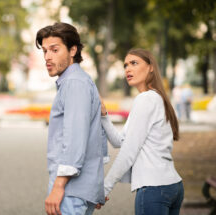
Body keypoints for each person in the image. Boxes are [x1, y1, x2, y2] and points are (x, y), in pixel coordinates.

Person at [36, 22, 108, 215]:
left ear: (72, 50)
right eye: (44, 51)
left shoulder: (74, 83)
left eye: (54, 49)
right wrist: (95, 186)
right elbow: (96, 138)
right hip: (79, 189)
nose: (47, 57)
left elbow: (75, 140)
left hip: (70, 191)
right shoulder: (80, 81)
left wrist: (58, 187)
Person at [100, 49, 184, 215]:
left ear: (151, 67)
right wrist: (104, 116)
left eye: (134, 63)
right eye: (125, 65)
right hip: (173, 186)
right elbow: (119, 142)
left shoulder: (145, 100)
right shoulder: (155, 98)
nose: (128, 69)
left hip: (154, 189)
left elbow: (128, 152)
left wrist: (104, 188)